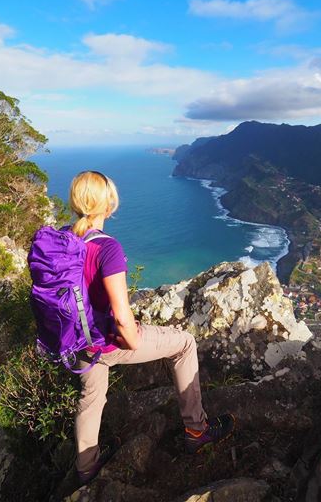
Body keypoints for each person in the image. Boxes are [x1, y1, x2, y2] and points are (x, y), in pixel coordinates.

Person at [67, 170, 235, 485]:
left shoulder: (63, 240)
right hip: (104, 342)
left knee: (91, 396)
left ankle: (86, 467)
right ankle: (196, 430)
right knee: (185, 343)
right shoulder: (107, 249)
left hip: (74, 340)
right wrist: (133, 339)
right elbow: (121, 317)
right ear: (109, 204)